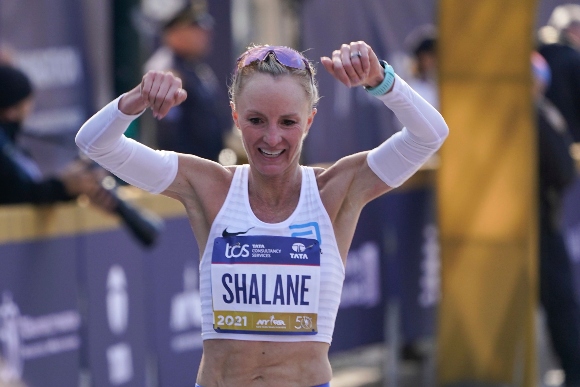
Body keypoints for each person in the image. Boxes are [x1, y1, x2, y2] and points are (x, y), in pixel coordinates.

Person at [76, 40, 448, 386]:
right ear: (236, 118)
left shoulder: (335, 190)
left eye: (288, 122)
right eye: (256, 121)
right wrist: (137, 98)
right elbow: (95, 144)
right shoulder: (211, 187)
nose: (272, 139)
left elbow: (429, 136)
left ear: (309, 121)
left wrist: (382, 81)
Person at [0, 63, 114, 207]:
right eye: (27, 104)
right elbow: (15, 196)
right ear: (13, 109)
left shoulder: (12, 146)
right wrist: (63, 186)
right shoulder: (5, 146)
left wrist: (69, 185)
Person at [533, 51, 580, 387]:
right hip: (533, 221)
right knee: (560, 301)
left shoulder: (538, 109)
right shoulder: (534, 110)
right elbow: (563, 169)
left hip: (538, 217)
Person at [143, 0, 230, 161]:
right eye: (196, 27)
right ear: (174, 33)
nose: (206, 32)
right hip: (182, 174)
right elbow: (167, 136)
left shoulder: (193, 67)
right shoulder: (167, 71)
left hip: (204, 169)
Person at [538, 3, 580, 142]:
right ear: (573, 30)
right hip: (572, 141)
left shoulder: (536, 54)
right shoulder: (574, 59)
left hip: (539, 139)